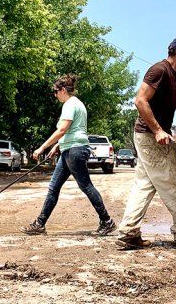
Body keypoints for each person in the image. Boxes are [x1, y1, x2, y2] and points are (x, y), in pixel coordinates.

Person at [115, 36, 176, 249]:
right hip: (150, 137)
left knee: (145, 185)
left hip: (155, 137)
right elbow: (140, 100)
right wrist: (157, 130)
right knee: (175, 182)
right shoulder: (159, 70)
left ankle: (129, 232)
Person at [21, 74, 116, 236]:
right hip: (70, 149)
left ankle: (107, 221)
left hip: (75, 150)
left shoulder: (70, 104)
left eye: (56, 91)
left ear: (63, 90)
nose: (55, 94)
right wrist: (58, 145)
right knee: (53, 187)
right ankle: (39, 224)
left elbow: (63, 129)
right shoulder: (76, 103)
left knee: (86, 186)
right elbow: (72, 130)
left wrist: (42, 147)